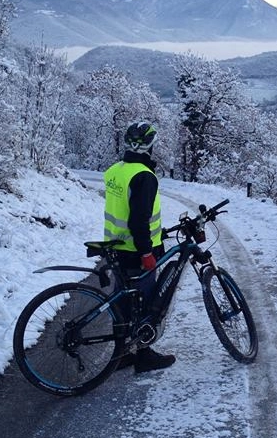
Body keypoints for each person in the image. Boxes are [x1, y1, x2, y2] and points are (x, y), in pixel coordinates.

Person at [103, 121, 176, 373]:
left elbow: (124, 209)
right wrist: (147, 251)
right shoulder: (144, 176)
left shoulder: (116, 170)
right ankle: (144, 356)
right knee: (145, 303)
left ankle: (120, 354)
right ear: (150, 145)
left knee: (122, 304)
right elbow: (137, 219)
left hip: (116, 246)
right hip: (137, 251)